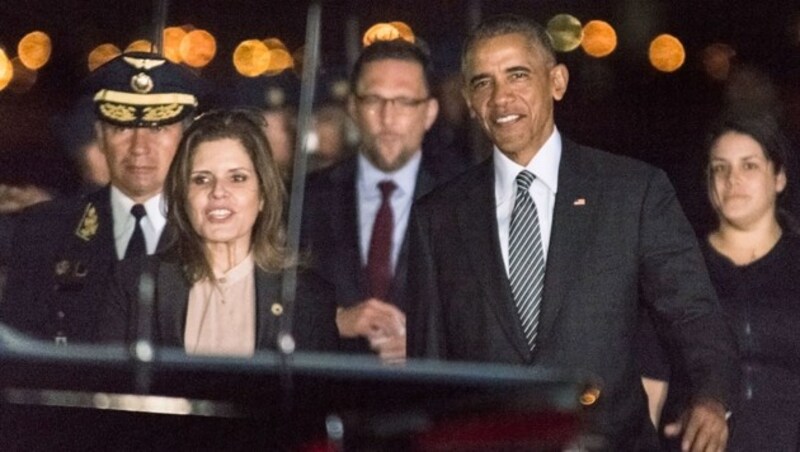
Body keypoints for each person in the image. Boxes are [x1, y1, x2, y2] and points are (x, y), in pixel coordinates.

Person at [405, 14, 739, 450]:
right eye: (483, 83)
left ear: (557, 82)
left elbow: (693, 316)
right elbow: (429, 372)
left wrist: (710, 399)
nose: (501, 98)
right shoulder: (438, 218)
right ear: (469, 100)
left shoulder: (632, 193)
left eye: (517, 75)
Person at [0, 51, 202, 344]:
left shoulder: (216, 230)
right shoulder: (44, 231)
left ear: (185, 138)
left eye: (158, 128)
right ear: (100, 135)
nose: (139, 147)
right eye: (121, 127)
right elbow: (21, 361)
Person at [99, 109, 338, 355]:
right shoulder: (133, 283)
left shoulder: (306, 296)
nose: (218, 192)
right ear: (182, 195)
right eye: (201, 179)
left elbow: (318, 392)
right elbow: (109, 385)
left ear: (263, 195)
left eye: (237, 178)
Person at [641, 114, 800, 450]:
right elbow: (650, 387)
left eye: (749, 166)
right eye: (720, 167)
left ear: (780, 177)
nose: (732, 179)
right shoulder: (676, 269)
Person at [301, 39, 466, 361]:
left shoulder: (465, 199)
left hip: (429, 400)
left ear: (429, 112)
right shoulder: (305, 198)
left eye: (404, 102)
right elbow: (272, 303)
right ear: (352, 107)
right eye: (374, 100)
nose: (388, 118)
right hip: (331, 393)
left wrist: (427, 344)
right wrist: (332, 320)